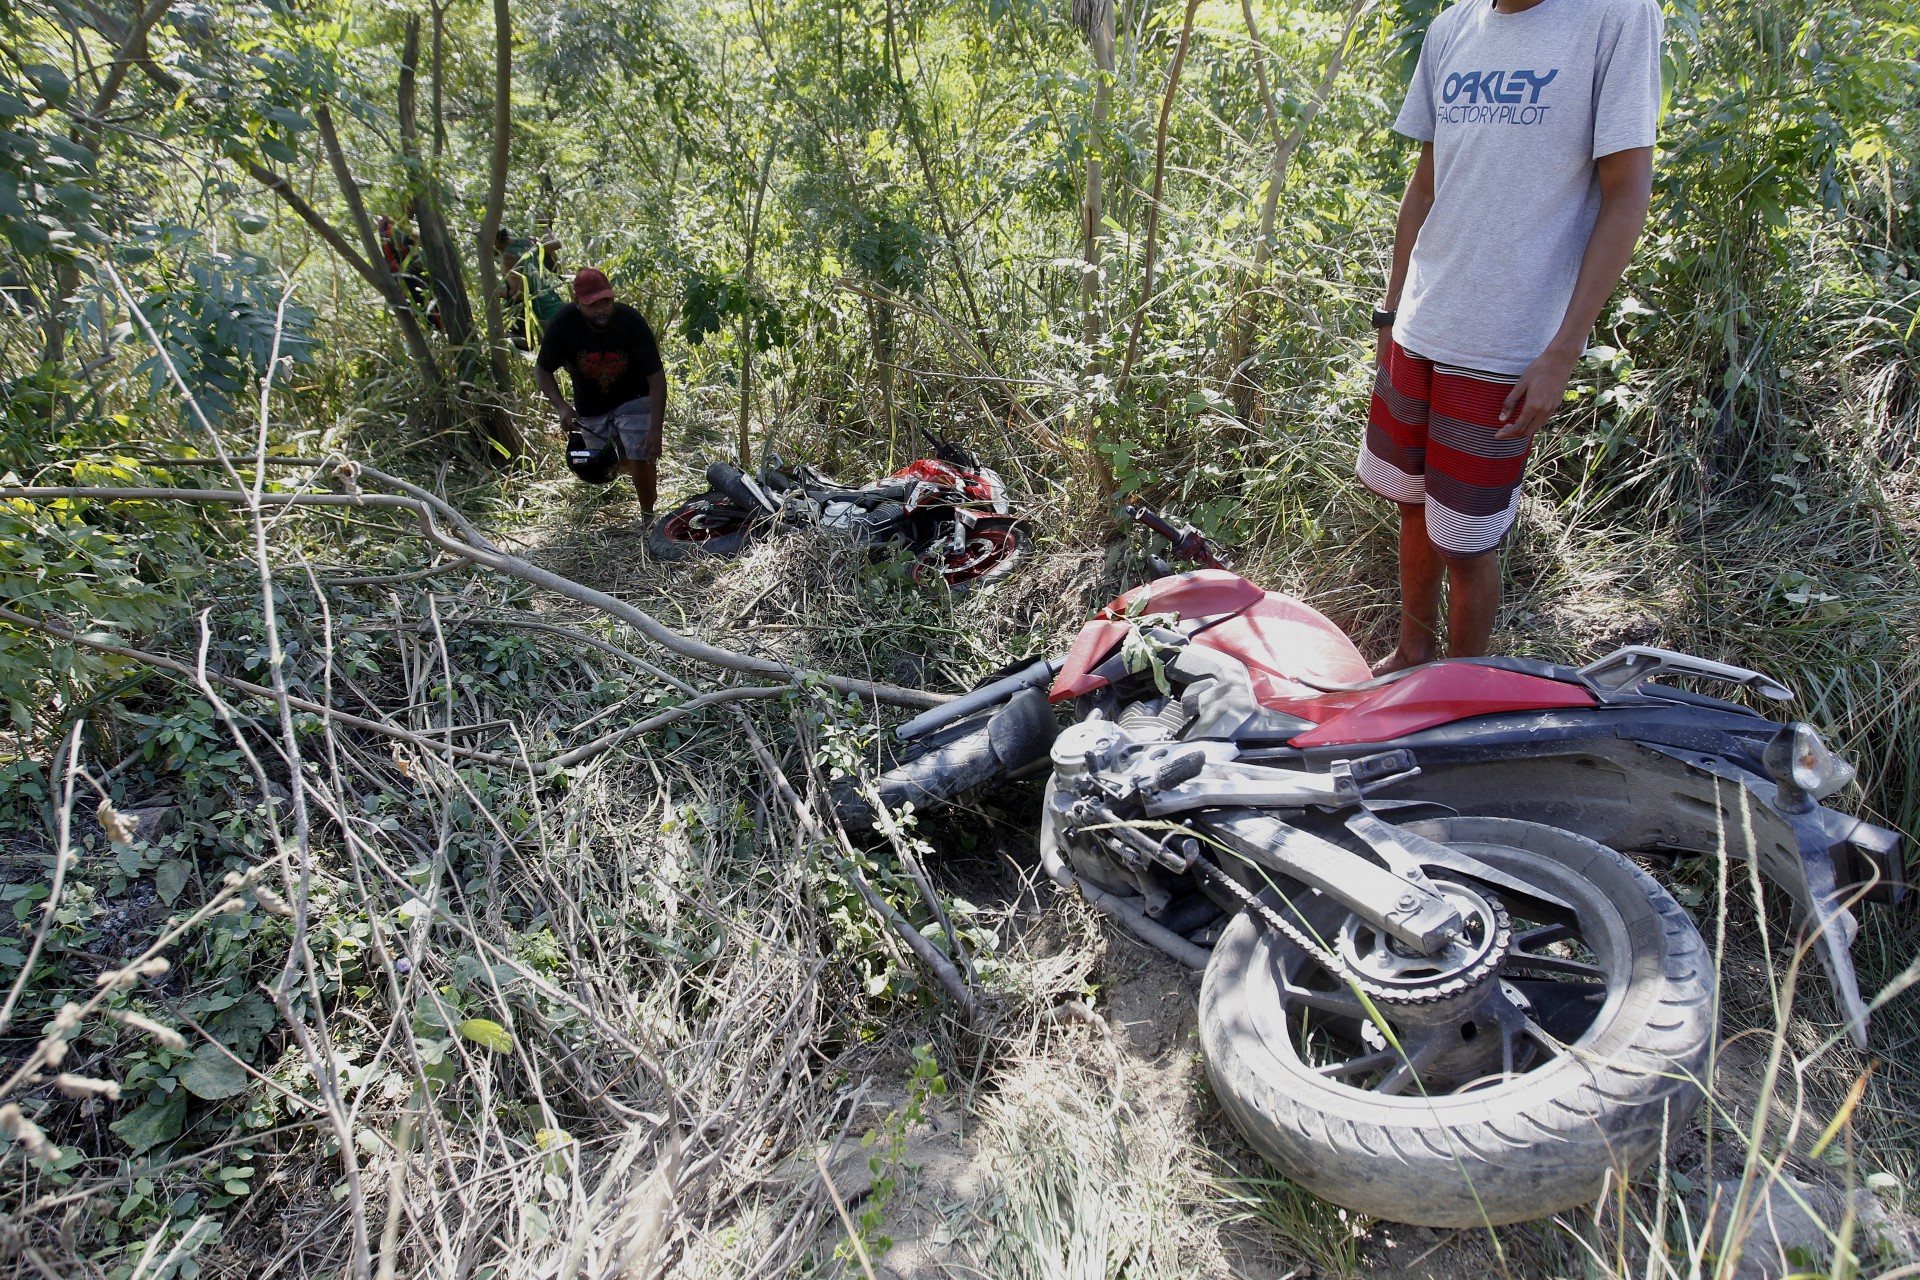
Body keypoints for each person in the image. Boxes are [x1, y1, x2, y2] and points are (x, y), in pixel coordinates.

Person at [1359, 0, 1663, 674]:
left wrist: (1563, 349)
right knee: (1411, 507)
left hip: (1505, 344)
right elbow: (1426, 184)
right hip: (1421, 323)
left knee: (1466, 540)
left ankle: (1460, 697)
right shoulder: (1452, 28)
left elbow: (1626, 192)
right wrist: (1390, 313)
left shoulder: (1614, 18)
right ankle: (1412, 656)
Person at [536, 268, 668, 518]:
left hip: (634, 396)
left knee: (641, 454)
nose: (601, 309)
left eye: (606, 302)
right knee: (603, 465)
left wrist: (655, 429)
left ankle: (648, 516)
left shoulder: (631, 322)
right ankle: (626, 461)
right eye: (593, 304)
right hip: (591, 405)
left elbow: (656, 377)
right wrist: (562, 406)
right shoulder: (563, 325)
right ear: (578, 303)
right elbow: (543, 370)